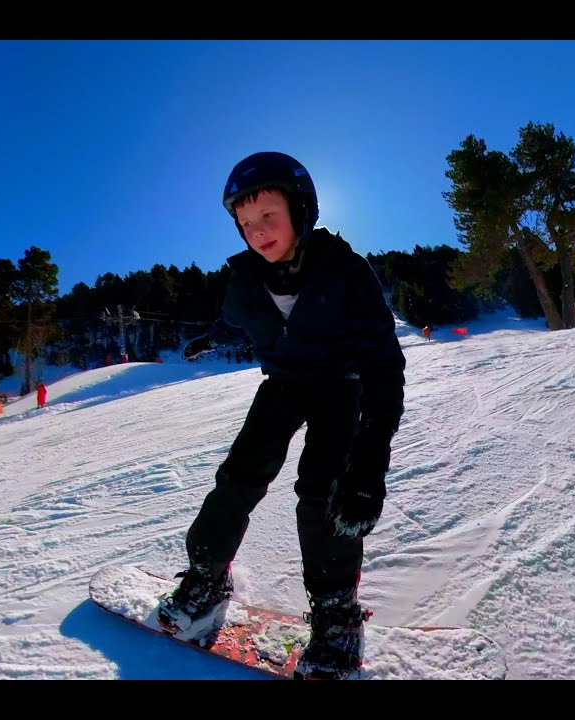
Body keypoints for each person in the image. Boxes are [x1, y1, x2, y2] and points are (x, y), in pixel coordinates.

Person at [160, 151, 407, 680]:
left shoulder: (345, 271)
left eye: (267, 216)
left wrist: (370, 466)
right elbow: (238, 318)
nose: (256, 232)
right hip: (285, 384)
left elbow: (385, 367)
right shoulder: (246, 276)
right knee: (239, 476)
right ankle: (207, 574)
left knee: (323, 494)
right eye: (245, 223)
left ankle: (337, 615)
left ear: (301, 208)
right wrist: (211, 335)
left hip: (343, 385)